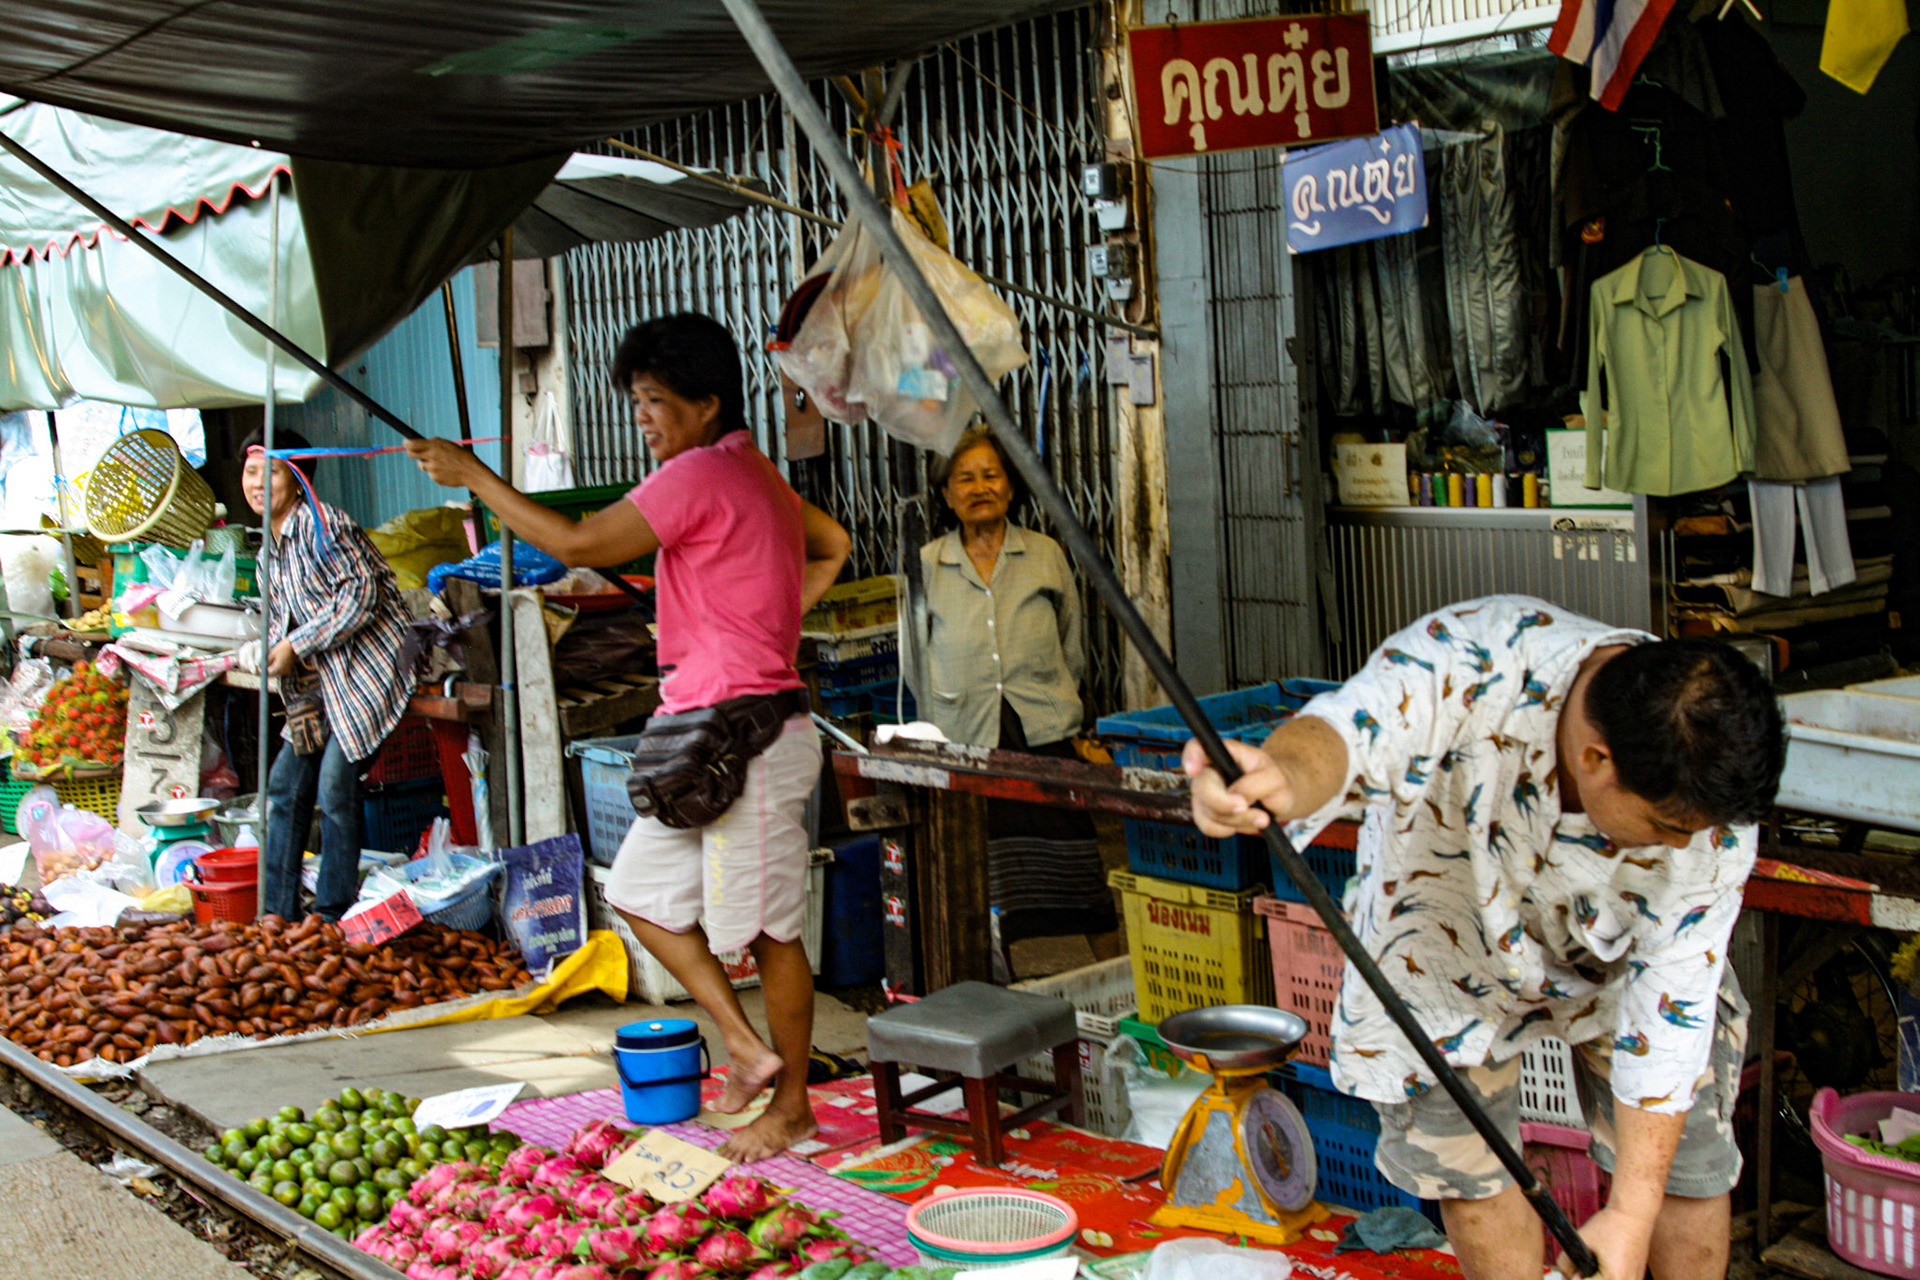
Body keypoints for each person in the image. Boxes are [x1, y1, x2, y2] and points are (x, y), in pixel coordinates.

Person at [1186, 596, 1784, 1280]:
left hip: (1624, 960)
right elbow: (1342, 733)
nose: (1689, 845)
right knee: (1469, 1172)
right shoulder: (1473, 656)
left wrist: (1630, 1215)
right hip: (1443, 933)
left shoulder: (1707, 810)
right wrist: (1278, 780)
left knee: (1681, 1173)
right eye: (1669, 829)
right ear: (1596, 758)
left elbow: (1670, 1019)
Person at [409, 312, 851, 1161]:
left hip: (747, 737)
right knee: (641, 893)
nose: (642, 416)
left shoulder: (697, 476)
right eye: (637, 400)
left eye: (654, 401)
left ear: (706, 402)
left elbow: (574, 540)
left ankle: (792, 1106)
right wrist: (762, 617)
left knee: (771, 932)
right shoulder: (750, 471)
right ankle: (747, 1046)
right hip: (704, 733)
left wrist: (474, 477)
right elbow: (829, 543)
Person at [901, 426, 1120, 967]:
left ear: (1011, 488)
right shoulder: (926, 564)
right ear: (948, 495)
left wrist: (1064, 707)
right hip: (967, 736)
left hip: (1044, 732)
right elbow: (913, 660)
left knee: (1078, 872)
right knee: (984, 878)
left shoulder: (1044, 555)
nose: (979, 488)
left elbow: (1074, 644)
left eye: (990, 475)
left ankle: (1113, 982)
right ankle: (1004, 987)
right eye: (964, 479)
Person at [242, 429, 414, 922]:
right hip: (318, 687)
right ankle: (275, 912)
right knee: (283, 787)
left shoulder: (325, 525)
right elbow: (280, 618)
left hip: (367, 670)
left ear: (298, 479)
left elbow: (361, 597)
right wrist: (264, 650)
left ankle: (332, 912)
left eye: (270, 472)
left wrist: (295, 645)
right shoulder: (266, 551)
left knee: (336, 785)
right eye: (252, 472)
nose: (258, 483)